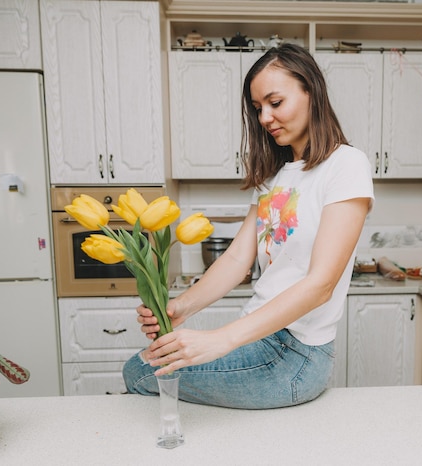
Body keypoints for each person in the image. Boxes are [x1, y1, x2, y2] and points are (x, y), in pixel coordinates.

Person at [122, 43, 374, 409]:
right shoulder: (275, 173)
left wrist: (221, 339)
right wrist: (182, 308)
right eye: (258, 109)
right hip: (261, 338)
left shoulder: (346, 165)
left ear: (311, 92)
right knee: (146, 367)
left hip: (295, 357)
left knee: (140, 373)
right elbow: (239, 256)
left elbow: (321, 285)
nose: (265, 118)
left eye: (275, 103)